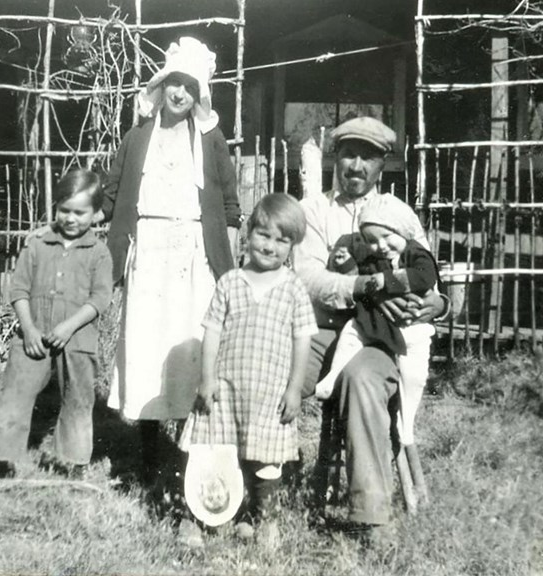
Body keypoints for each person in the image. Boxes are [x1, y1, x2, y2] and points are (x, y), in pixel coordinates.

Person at [99, 37, 241, 525]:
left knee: (188, 348)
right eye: (172, 84)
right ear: (160, 88)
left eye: (188, 86)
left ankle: (186, 452)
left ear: (199, 93)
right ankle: (148, 453)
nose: (179, 93)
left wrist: (227, 253)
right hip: (150, 253)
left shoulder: (210, 140)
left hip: (193, 255)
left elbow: (227, 201)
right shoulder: (140, 135)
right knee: (146, 346)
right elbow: (114, 190)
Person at [292, 116, 447, 532]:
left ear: (383, 164)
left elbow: (428, 274)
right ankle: (254, 486)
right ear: (335, 158)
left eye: (368, 157)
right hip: (322, 330)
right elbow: (307, 278)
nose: (357, 166)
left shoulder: (400, 214)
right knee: (270, 372)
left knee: (362, 380)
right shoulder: (314, 211)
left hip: (377, 338)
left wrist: (438, 303)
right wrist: (366, 286)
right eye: (348, 155)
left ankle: (371, 516)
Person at [179, 193, 317, 547]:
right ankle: (196, 517)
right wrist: (207, 379)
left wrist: (293, 389)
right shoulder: (230, 282)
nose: (269, 246)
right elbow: (212, 332)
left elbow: (302, 341)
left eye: (281, 240)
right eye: (263, 235)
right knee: (213, 450)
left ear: (292, 247)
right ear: (248, 233)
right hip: (226, 389)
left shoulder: (294, 289)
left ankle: (262, 520)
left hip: (269, 392)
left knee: (265, 457)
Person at [0, 169, 113, 478]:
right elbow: (19, 290)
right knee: (15, 392)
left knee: (78, 399)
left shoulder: (99, 253)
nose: (71, 218)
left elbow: (101, 298)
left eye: (80, 212)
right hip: (33, 337)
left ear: (95, 214)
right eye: (64, 210)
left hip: (77, 341)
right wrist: (28, 329)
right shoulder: (36, 245)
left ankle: (74, 464)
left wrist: (69, 327)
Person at [315, 193, 442, 448]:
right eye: (372, 241)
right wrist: (349, 263)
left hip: (411, 325)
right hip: (378, 323)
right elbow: (361, 277)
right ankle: (332, 377)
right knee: (351, 333)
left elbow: (426, 277)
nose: (381, 246)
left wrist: (388, 281)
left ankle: (406, 422)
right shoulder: (375, 259)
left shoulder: (417, 254)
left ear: (403, 232)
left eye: (387, 237)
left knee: (414, 374)